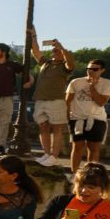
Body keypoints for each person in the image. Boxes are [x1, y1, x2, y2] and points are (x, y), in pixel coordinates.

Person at [29, 29, 75, 166]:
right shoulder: (46, 63)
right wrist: (33, 35)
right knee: (43, 127)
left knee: (57, 129)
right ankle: (47, 153)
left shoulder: (64, 67)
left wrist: (62, 47)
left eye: (56, 51)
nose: (54, 52)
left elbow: (71, 63)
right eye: (53, 50)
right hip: (40, 100)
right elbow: (35, 50)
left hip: (56, 101)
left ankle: (54, 156)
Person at [66, 60, 110, 172]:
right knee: (77, 146)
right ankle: (74, 174)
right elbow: (67, 101)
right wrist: (68, 118)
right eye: (88, 69)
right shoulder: (76, 82)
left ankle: (90, 174)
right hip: (77, 118)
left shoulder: (108, 83)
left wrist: (92, 87)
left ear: (102, 70)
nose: (91, 71)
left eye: (95, 69)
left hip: (97, 119)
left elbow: (101, 102)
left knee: (93, 148)